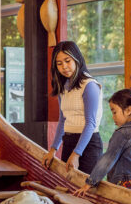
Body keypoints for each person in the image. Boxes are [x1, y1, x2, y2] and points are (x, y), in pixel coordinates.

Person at [74, 89, 131, 195]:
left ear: (128, 110)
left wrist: (89, 183)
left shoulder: (122, 133)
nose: (113, 117)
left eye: (114, 112)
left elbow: (107, 159)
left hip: (125, 186)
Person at [41, 41, 103, 174]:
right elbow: (63, 120)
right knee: (68, 188)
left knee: (86, 191)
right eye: (59, 63)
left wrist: (76, 154)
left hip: (88, 145)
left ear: (77, 59)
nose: (64, 67)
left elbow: (90, 124)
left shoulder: (90, 85)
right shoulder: (63, 87)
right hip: (68, 142)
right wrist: (53, 150)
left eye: (67, 61)